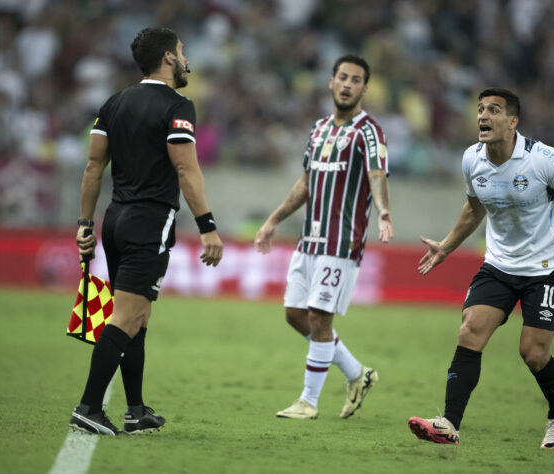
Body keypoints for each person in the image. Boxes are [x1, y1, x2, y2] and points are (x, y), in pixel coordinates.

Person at [407, 88, 554, 448]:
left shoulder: (545, 159)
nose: (483, 116)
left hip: (546, 268)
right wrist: (446, 246)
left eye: (493, 110)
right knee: (470, 331)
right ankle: (449, 424)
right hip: (499, 265)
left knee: (533, 353)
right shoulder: (472, 159)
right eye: (480, 109)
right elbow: (474, 207)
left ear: (512, 121)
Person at [71, 27, 224, 435]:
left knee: (138, 318)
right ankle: (88, 407)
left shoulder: (113, 103)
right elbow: (186, 168)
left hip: (115, 218)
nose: (187, 58)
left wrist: (85, 224)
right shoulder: (178, 105)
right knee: (129, 315)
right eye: (182, 50)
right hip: (148, 221)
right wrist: (208, 226)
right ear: (169, 59)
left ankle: (135, 411)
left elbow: (92, 168)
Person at [254, 55, 393, 420]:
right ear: (331, 82)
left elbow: (377, 175)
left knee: (319, 316)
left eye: (356, 79)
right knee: (294, 313)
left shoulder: (369, 131)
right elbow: (306, 182)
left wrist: (383, 210)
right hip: (310, 238)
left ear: (364, 88)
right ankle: (356, 374)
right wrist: (273, 219)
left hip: (342, 240)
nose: (348, 84)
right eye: (342, 77)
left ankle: (309, 402)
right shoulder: (318, 130)